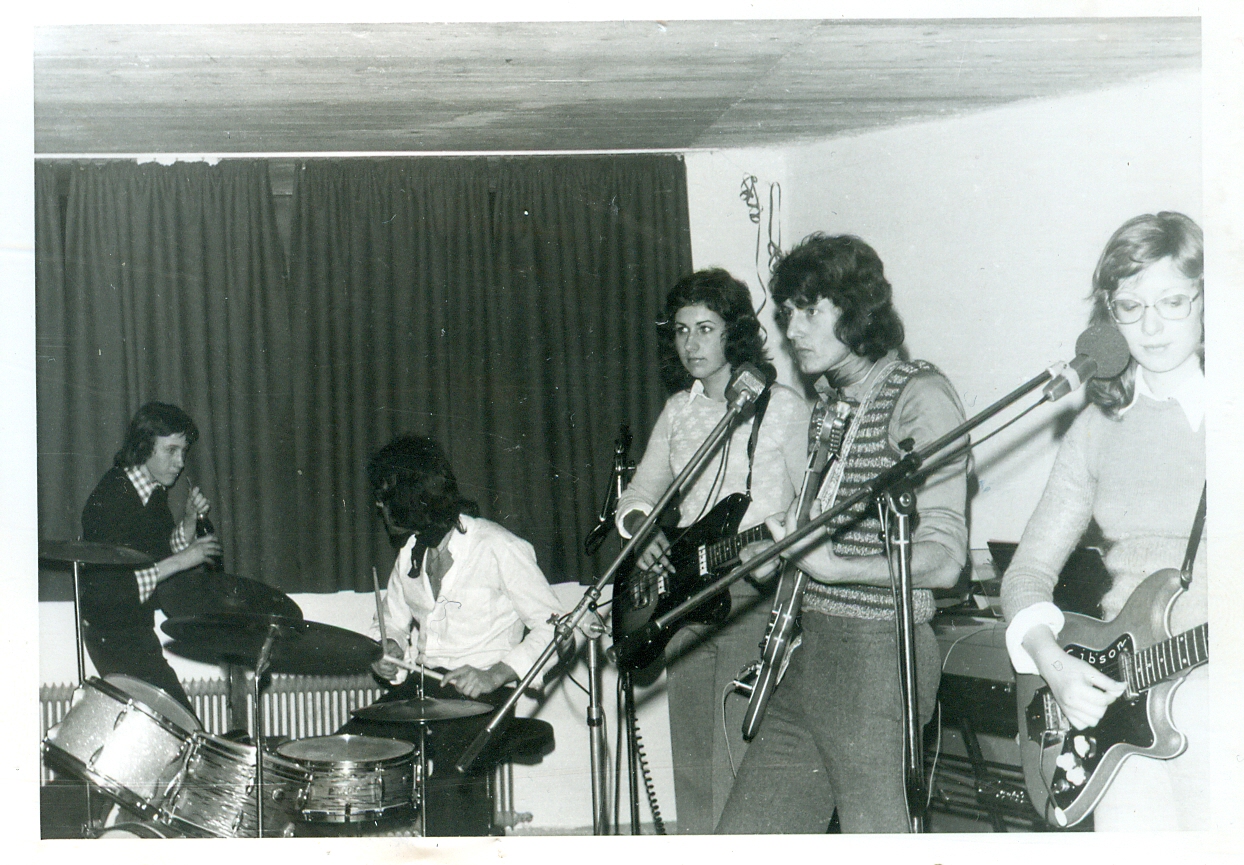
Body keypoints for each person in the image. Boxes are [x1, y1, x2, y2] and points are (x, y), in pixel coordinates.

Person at [715, 233, 969, 834]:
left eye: (809, 310)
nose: (792, 329)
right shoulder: (830, 403)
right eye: (787, 314)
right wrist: (783, 556)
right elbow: (824, 538)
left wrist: (836, 567)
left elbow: (944, 559)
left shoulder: (919, 394)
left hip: (881, 658)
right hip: (814, 654)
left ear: (855, 312)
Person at [1000, 212, 1206, 831]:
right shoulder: (1095, 428)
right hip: (1119, 704)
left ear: (1208, 300)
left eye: (1172, 301)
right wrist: (1055, 666)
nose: (1152, 326)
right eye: (1131, 306)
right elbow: (1026, 574)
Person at [614, 268, 811, 834]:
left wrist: (779, 548)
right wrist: (642, 529)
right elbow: (639, 495)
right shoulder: (679, 409)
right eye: (681, 330)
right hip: (685, 593)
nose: (691, 343)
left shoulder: (782, 407)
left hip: (754, 589)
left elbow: (814, 503)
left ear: (735, 332)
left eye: (705, 328)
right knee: (695, 759)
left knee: (739, 749)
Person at [346, 434, 563, 835]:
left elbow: (558, 628)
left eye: (385, 493)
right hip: (423, 686)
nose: (379, 504)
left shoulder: (497, 546)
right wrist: (389, 647)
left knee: (448, 784)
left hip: (483, 695)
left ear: (413, 493)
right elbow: (392, 622)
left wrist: (495, 674)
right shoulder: (410, 551)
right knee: (346, 755)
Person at [80, 401, 221, 714]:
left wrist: (188, 522)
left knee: (179, 722)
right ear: (144, 447)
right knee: (179, 723)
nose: (180, 462)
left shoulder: (152, 491)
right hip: (111, 634)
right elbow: (113, 589)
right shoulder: (112, 496)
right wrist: (185, 560)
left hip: (136, 631)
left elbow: (158, 553)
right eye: (171, 450)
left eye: (183, 452)